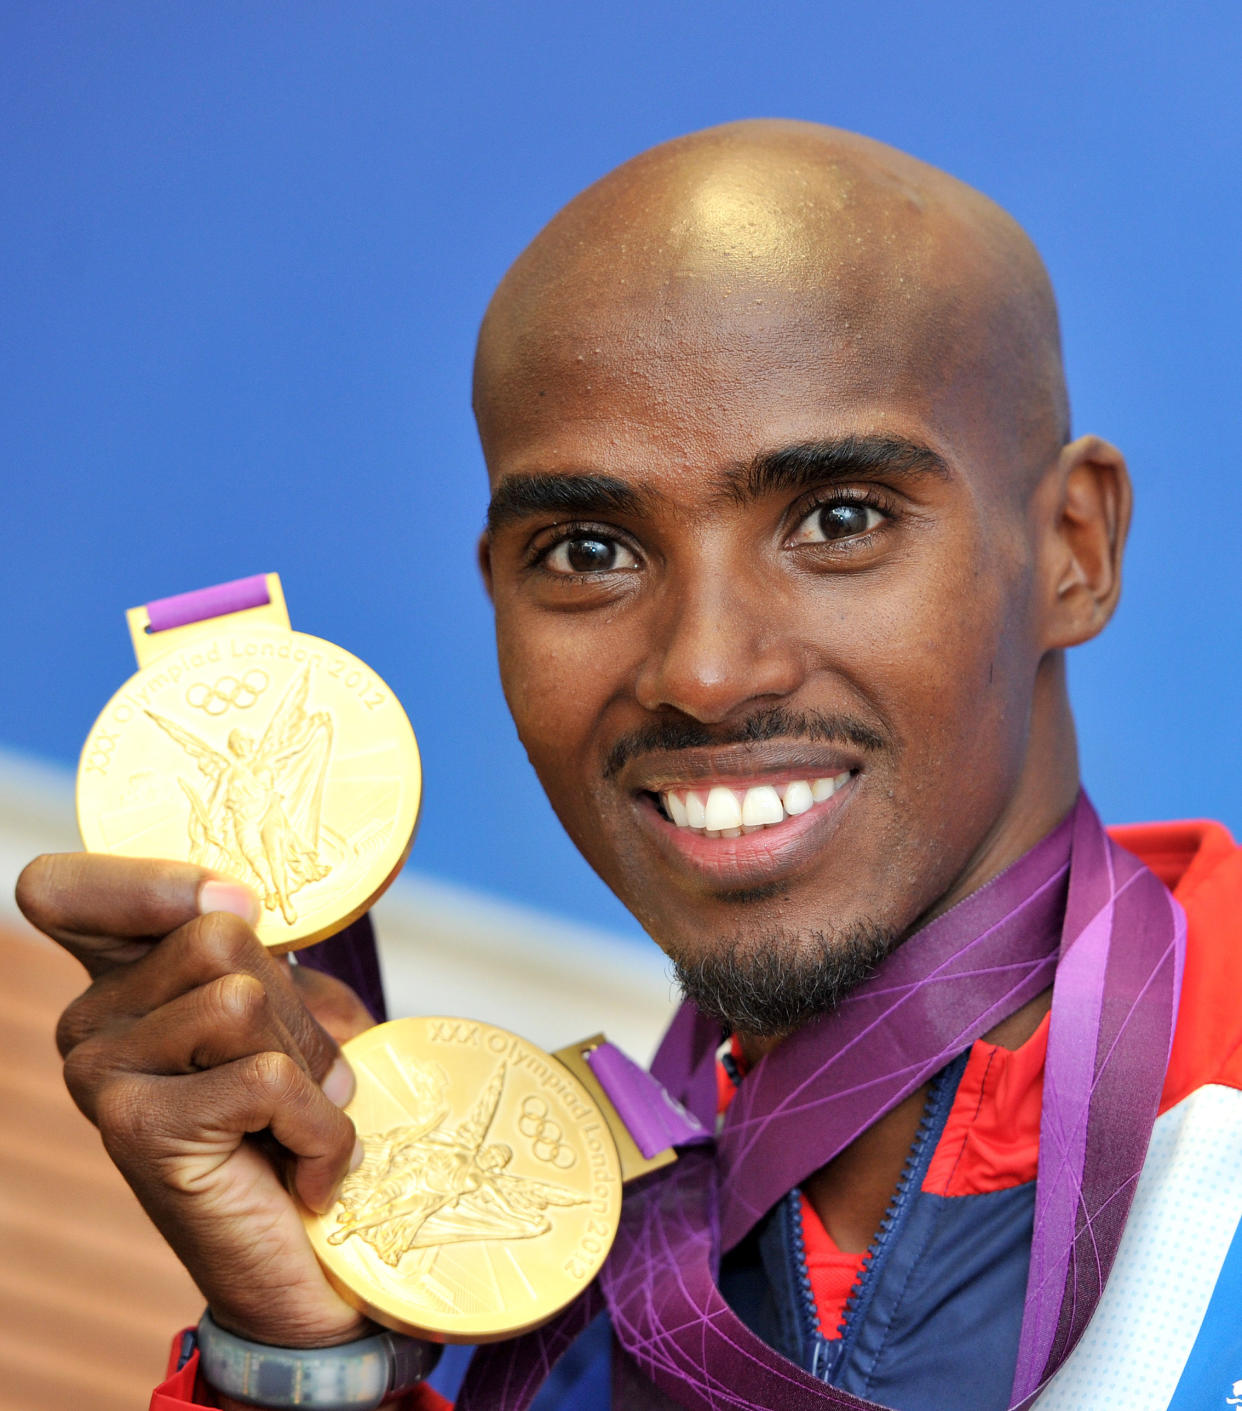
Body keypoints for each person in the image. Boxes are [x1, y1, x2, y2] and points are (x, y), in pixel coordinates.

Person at [16, 120, 1242, 1411]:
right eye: (588, 551)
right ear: (495, 590)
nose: (704, 671)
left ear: (1071, 549)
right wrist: (305, 1361)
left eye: (838, 521)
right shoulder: (542, 1309)